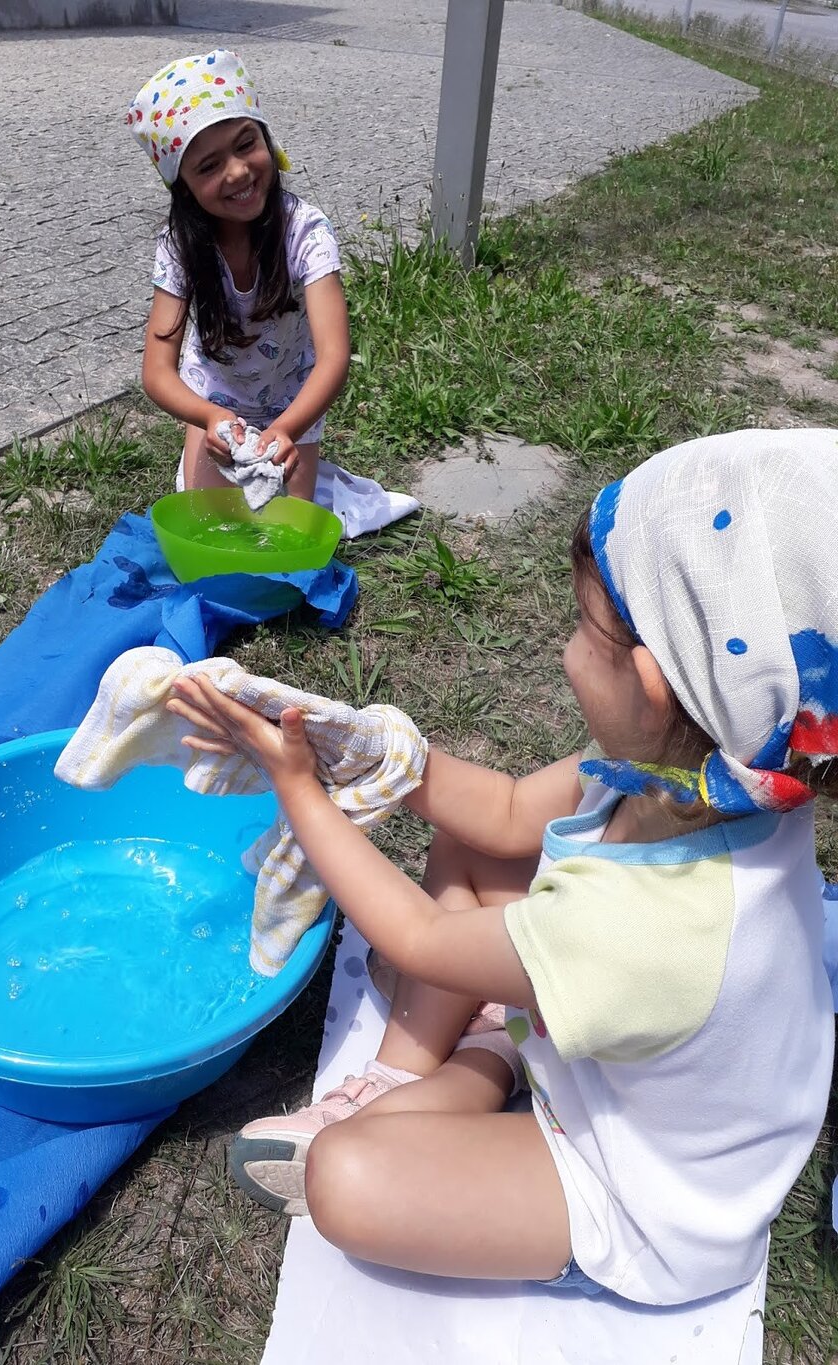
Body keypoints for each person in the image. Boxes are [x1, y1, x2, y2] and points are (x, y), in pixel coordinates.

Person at [166, 428, 838, 1304]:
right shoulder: (731, 778)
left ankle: (490, 1060)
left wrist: (301, 789)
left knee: (345, 1174)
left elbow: (418, 933)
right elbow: (508, 811)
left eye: (583, 630)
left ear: (653, 683)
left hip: (643, 1194)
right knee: (481, 842)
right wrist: (378, 751)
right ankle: (444, 1063)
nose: (563, 651)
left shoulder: (652, 925)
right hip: (637, 1061)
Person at [126, 49, 350, 502]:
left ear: (267, 140)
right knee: (213, 519)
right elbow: (156, 371)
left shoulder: (305, 231)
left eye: (246, 144)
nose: (238, 171)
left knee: (282, 530)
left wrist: (287, 429)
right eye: (208, 166)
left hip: (292, 395)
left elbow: (333, 356)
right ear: (183, 186)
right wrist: (209, 418)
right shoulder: (180, 247)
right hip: (217, 399)